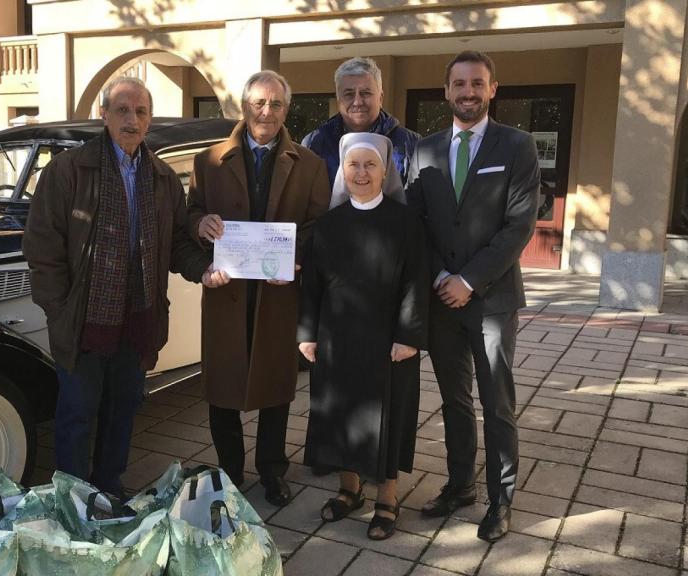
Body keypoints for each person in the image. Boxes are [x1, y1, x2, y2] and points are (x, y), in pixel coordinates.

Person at [23, 77, 226, 498]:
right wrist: (59, 309)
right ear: (104, 115)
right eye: (122, 110)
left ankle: (109, 489)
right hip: (83, 321)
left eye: (140, 112)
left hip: (138, 321)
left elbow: (175, 245)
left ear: (149, 120)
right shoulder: (68, 171)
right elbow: (43, 249)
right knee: (77, 413)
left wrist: (204, 270)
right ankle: (74, 499)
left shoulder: (162, 177)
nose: (132, 120)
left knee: (123, 411)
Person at [405, 51, 540, 542]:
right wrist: (443, 275)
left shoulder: (517, 146)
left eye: (477, 83)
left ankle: (500, 500)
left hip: (492, 300)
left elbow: (518, 226)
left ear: (492, 89)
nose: (468, 91)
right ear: (446, 91)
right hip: (442, 298)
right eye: (459, 84)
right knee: (454, 399)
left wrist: (469, 280)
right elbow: (415, 222)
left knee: (496, 402)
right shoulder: (424, 149)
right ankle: (461, 484)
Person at [188, 70, 330, 506]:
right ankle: (230, 471)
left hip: (277, 291)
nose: (266, 112)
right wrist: (201, 224)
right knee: (222, 386)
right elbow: (189, 217)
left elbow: (318, 225)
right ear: (244, 106)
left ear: (287, 109)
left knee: (276, 385)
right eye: (258, 103)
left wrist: (296, 256)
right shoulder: (208, 160)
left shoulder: (310, 164)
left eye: (276, 104)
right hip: (227, 291)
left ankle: (272, 470)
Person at [298, 132, 428, 541]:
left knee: (386, 417)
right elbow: (312, 286)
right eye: (353, 164)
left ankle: (387, 499)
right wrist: (306, 333)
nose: (361, 172)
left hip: (388, 340)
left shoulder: (406, 222)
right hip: (336, 337)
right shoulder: (328, 224)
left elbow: (416, 281)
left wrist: (409, 335)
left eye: (370, 164)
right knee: (341, 413)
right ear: (342, 170)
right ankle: (349, 490)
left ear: (385, 170)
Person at [301, 56, 419, 206]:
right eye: (349, 94)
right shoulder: (315, 144)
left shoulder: (411, 145)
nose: (357, 102)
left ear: (381, 98)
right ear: (338, 100)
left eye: (365, 93)